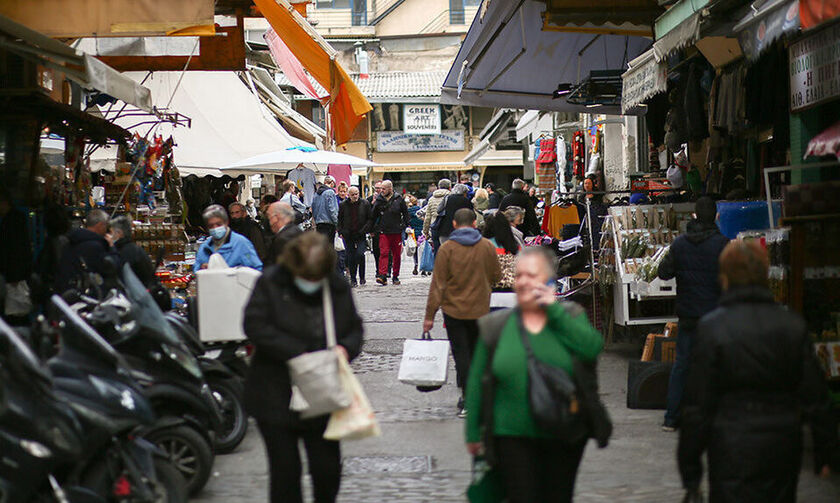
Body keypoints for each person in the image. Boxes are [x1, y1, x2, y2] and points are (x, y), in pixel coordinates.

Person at [678, 240, 835, 503]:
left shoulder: (713, 329)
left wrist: (691, 471)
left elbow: (697, 406)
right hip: (781, 445)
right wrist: (826, 453)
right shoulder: (791, 325)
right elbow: (817, 397)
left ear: (724, 277)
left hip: (730, 444)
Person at [464, 247, 603, 503]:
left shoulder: (569, 317)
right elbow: (477, 380)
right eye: (519, 276)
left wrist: (554, 311)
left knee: (557, 496)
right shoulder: (496, 325)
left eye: (532, 275)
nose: (524, 281)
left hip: (564, 432)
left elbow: (592, 348)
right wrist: (473, 431)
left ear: (549, 281)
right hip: (510, 433)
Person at [243, 232, 363, 503]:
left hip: (322, 390)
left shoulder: (335, 286)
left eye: (315, 277)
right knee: (285, 471)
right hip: (275, 390)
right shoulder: (271, 282)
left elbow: (354, 328)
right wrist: (297, 352)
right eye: (305, 277)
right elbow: (254, 325)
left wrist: (345, 348)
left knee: (327, 468)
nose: (311, 282)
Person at [657, 196, 729, 431]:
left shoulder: (680, 244)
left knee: (682, 365)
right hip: (714, 315)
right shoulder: (723, 245)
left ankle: (672, 417)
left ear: (694, 216)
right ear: (716, 216)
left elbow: (664, 273)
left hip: (688, 314)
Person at [424, 208, 501, 417]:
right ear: (475, 224)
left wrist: (429, 316)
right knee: (478, 353)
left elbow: (437, 285)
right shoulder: (486, 246)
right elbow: (496, 275)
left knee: (462, 355)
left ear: (455, 225)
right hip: (480, 308)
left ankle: (468, 399)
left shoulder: (447, 249)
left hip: (453, 310)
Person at [56, 209, 116, 292]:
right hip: (86, 296)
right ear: (100, 225)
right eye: (106, 226)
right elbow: (112, 267)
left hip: (69, 291)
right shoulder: (95, 247)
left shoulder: (72, 241)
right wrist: (112, 247)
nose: (107, 230)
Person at [194, 204, 262, 271]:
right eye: (211, 226)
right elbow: (196, 269)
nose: (215, 228)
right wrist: (201, 267)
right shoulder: (205, 247)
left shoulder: (241, 243)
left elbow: (256, 268)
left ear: (226, 222)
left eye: (218, 224)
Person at [0, 190, 33, 323]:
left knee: (15, 311)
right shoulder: (14, 220)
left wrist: (14, 274)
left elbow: (15, 249)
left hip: (14, 275)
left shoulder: (11, 222)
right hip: (15, 274)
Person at [371, 180, 409, 285]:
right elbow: (373, 216)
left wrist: (407, 226)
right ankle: (382, 275)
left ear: (390, 189)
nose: (381, 191)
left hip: (396, 231)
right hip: (384, 231)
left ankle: (395, 276)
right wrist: (371, 229)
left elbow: (405, 213)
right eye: (380, 189)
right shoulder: (379, 200)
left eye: (384, 189)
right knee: (383, 253)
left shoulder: (398, 199)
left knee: (396, 255)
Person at [338, 187, 372, 287]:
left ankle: (362, 276)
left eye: (356, 194)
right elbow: (339, 219)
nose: (355, 196)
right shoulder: (343, 205)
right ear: (349, 195)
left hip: (361, 233)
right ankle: (353, 278)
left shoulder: (365, 203)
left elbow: (369, 219)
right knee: (351, 256)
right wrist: (342, 231)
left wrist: (365, 230)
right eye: (353, 194)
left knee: (360, 254)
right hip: (348, 234)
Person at [108, 215, 156, 286]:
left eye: (111, 232)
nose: (109, 235)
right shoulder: (134, 249)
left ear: (119, 233)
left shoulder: (125, 252)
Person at [264, 202, 302, 266]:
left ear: (276, 217)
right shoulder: (297, 231)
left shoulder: (283, 239)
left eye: (269, 216)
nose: (269, 222)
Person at [312, 177, 339, 244]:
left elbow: (313, 208)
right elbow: (332, 210)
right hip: (329, 224)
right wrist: (337, 223)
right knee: (329, 248)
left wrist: (316, 220)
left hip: (319, 224)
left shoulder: (316, 194)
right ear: (332, 182)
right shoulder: (330, 192)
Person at [422, 179, 451, 243]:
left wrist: (425, 231)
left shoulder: (431, 199)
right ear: (449, 187)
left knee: (436, 250)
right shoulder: (451, 197)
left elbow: (428, 217)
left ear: (438, 187)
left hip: (435, 227)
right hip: (448, 228)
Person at [406, 195, 424, 276]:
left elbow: (407, 222)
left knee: (415, 250)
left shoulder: (408, 212)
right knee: (423, 250)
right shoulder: (421, 211)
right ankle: (424, 266)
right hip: (421, 232)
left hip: (413, 233)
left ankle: (416, 264)